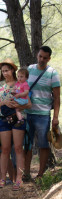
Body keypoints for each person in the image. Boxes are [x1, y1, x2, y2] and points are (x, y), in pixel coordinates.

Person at [0, 59, 30, 190]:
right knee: (5, 149)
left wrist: (18, 105)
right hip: (4, 119)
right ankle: (3, 178)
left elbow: (29, 103)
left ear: (13, 70)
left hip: (18, 117)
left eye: (7, 70)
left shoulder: (20, 83)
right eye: (3, 71)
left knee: (18, 148)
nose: (5, 73)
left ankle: (19, 179)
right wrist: (5, 103)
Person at [24, 46, 60, 180]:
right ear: (37, 55)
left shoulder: (52, 73)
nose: (42, 59)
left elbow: (57, 98)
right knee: (26, 144)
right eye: (40, 56)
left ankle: (40, 174)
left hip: (43, 114)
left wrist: (55, 117)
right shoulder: (30, 69)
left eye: (45, 58)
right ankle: (26, 173)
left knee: (43, 144)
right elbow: (22, 87)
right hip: (27, 112)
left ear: (49, 58)